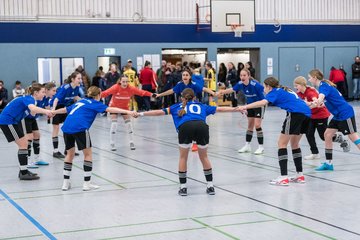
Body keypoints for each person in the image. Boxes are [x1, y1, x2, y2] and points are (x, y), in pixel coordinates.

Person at [141, 88, 244, 196]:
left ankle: (183, 188)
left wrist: (141, 114)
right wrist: (237, 109)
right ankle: (210, 186)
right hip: (201, 127)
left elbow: (158, 112)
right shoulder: (202, 105)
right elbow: (220, 109)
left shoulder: (176, 106)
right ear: (194, 97)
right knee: (204, 157)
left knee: (183, 157)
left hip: (185, 127)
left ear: (182, 98)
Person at [53, 86, 138, 191]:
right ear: (98, 95)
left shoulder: (82, 101)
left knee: (70, 154)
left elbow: (65, 110)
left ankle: (65, 184)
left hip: (67, 128)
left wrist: (54, 112)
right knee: (88, 154)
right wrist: (129, 112)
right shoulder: (95, 104)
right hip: (80, 128)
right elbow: (111, 109)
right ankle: (86, 184)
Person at [238, 77, 311, 186]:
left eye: (265, 87)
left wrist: (245, 106)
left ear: (269, 86)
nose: (264, 90)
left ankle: (283, 177)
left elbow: (263, 102)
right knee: (295, 144)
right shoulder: (285, 89)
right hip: (307, 114)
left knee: (281, 144)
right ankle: (299, 175)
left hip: (295, 114)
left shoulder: (274, 92)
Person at [308, 69, 360, 171]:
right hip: (337, 115)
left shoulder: (323, 86)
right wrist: (316, 103)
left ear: (314, 77)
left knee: (353, 137)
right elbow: (324, 101)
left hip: (345, 114)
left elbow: (320, 99)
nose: (309, 79)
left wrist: (314, 103)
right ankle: (329, 163)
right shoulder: (324, 86)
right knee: (327, 135)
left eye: (309, 77)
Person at [0, 83, 54, 180]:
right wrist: (46, 112)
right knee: (23, 144)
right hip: (8, 121)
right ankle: (23, 172)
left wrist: (47, 112)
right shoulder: (30, 99)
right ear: (36, 93)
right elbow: (33, 109)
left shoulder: (32, 100)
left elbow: (33, 112)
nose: (44, 94)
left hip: (12, 121)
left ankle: (23, 171)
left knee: (24, 144)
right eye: (42, 92)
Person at [293, 76, 349, 161]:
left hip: (321, 115)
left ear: (301, 85)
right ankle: (315, 153)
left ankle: (340, 138)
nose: (295, 88)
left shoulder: (310, 92)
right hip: (311, 116)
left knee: (323, 136)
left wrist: (308, 103)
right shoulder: (299, 94)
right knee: (309, 134)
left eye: (296, 85)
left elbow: (316, 101)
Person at [101, 75, 155, 151]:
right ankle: (112, 143)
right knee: (114, 124)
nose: (125, 83)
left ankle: (131, 142)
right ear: (120, 81)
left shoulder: (131, 88)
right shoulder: (116, 87)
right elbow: (105, 93)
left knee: (129, 124)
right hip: (114, 107)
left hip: (125, 108)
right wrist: (94, 96)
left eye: (127, 81)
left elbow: (141, 92)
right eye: (123, 81)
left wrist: (152, 94)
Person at [219, 69, 265, 154]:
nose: (242, 77)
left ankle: (261, 147)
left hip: (259, 105)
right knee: (250, 126)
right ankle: (247, 145)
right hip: (249, 106)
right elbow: (232, 89)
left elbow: (265, 94)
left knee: (257, 125)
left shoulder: (256, 85)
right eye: (241, 75)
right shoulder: (240, 84)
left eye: (244, 75)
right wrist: (222, 92)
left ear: (248, 76)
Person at [24, 82, 57, 168]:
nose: (55, 93)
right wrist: (46, 112)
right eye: (53, 91)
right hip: (26, 118)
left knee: (37, 135)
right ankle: (27, 161)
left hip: (32, 119)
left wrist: (52, 112)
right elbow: (34, 110)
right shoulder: (37, 98)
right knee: (29, 138)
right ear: (46, 90)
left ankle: (36, 159)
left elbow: (47, 108)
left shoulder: (45, 99)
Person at [50, 71, 82, 158]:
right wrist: (53, 110)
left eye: (80, 78)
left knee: (68, 127)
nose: (80, 80)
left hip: (65, 107)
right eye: (78, 78)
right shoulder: (65, 87)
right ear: (72, 79)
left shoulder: (77, 87)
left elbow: (75, 97)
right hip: (56, 106)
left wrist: (83, 101)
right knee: (56, 128)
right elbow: (56, 99)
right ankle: (55, 151)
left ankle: (67, 149)